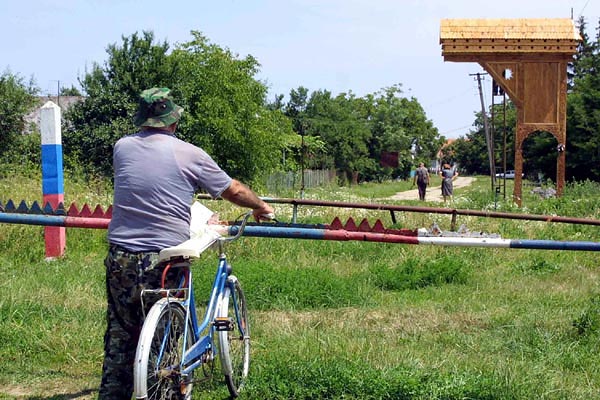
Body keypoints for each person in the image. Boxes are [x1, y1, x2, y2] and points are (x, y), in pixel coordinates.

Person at [98, 87, 274, 399]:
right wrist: (259, 206)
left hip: (120, 256)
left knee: (120, 336)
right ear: (174, 121)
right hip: (163, 259)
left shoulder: (121, 147)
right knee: (168, 335)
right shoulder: (190, 153)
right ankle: (168, 389)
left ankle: (114, 392)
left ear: (143, 119)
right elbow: (233, 189)